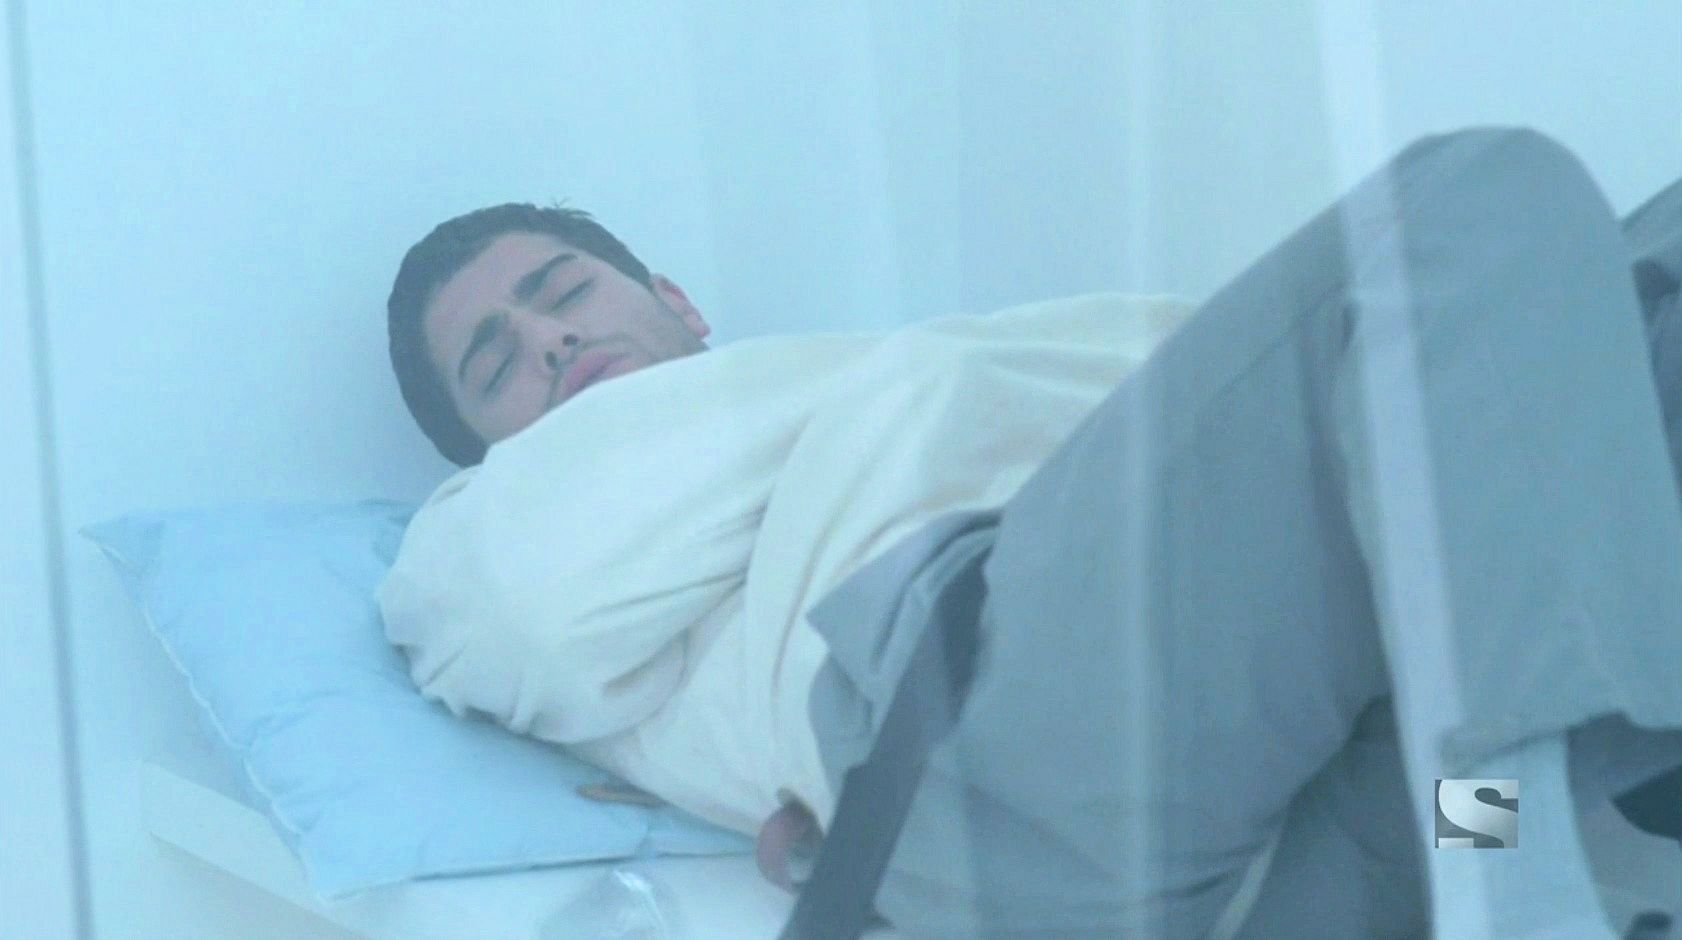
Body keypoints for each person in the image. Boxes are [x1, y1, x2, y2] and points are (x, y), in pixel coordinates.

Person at [381, 126, 1682, 937]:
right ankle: (1520, 873)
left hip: (1316, 812)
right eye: (494, 364)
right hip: (1003, 734)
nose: (548, 340)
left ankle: (1508, 841)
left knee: (1649, 282)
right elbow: (521, 614)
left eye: (561, 291)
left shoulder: (875, 373)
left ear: (677, 300)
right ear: (483, 452)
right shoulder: (475, 538)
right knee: (1475, 202)